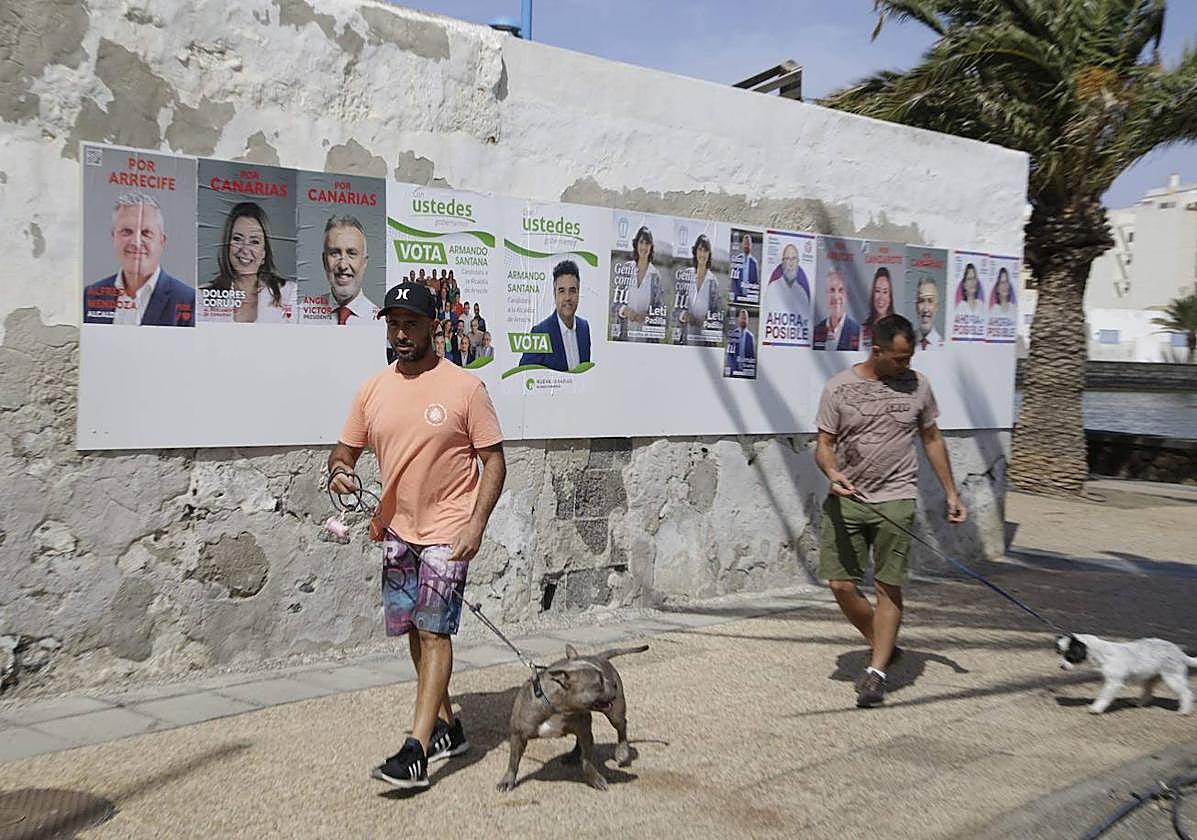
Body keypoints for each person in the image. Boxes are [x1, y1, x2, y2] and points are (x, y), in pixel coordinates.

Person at [329, 281, 505, 790]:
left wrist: (475, 524)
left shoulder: (465, 388)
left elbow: (494, 462)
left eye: (411, 324)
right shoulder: (372, 390)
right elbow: (344, 451)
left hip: (449, 530)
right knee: (412, 629)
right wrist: (340, 471)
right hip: (397, 530)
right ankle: (448, 727)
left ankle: (416, 750)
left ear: (433, 327)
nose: (401, 334)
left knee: (434, 632)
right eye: (394, 324)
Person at [815, 313, 967, 708]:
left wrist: (951, 494)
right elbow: (824, 444)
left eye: (909, 357)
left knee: (887, 585)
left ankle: (876, 673)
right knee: (841, 585)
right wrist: (832, 473)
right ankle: (881, 640)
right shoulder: (839, 387)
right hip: (848, 499)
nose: (906, 365)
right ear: (877, 350)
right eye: (899, 358)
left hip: (897, 498)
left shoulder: (919, 386)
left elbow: (932, 439)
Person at [83, 191, 195, 327]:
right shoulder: (90, 296)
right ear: (114, 237)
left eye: (146, 233)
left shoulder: (189, 300)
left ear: (162, 241)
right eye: (127, 231)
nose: (136, 242)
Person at [204, 201, 295, 323]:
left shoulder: (290, 293)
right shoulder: (201, 296)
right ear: (227, 246)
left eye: (254, 242)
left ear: (264, 252)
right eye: (237, 239)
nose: (245, 249)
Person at [520, 259, 592, 371]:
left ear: (578, 293)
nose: (567, 297)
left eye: (572, 290)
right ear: (554, 294)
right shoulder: (539, 333)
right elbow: (524, 374)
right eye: (562, 291)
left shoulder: (584, 328)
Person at [322, 215, 376, 325]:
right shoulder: (300, 314)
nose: (343, 265)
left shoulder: (382, 322)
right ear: (324, 261)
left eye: (352, 253)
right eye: (334, 253)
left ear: (364, 263)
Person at [615, 226, 664, 338]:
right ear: (636, 244)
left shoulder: (655, 276)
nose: (644, 247)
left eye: (647, 243)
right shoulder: (626, 269)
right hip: (624, 335)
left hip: (645, 337)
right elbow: (615, 304)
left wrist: (648, 315)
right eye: (641, 242)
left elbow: (660, 309)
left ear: (651, 247)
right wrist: (624, 310)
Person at [677, 234, 721, 342]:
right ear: (695, 251)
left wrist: (705, 319)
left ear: (709, 254)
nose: (702, 254)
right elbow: (676, 308)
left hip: (703, 339)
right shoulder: (686, 275)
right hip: (685, 337)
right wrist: (684, 315)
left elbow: (716, 312)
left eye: (705, 251)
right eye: (700, 249)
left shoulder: (713, 281)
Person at [762, 242, 811, 335]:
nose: (790, 263)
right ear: (783, 262)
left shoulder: (802, 293)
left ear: (798, 262)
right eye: (787, 259)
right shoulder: (772, 288)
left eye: (793, 259)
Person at [813, 270, 861, 350]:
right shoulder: (816, 332)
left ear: (846, 295)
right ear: (826, 293)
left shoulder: (857, 332)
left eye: (841, 290)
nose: (836, 296)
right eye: (832, 290)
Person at [860, 267, 895, 346]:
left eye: (885, 292)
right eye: (877, 291)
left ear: (890, 298)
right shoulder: (863, 331)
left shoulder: (898, 330)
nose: (881, 297)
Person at [914, 277, 943, 349]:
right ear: (916, 306)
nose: (925, 309)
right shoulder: (907, 343)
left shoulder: (944, 346)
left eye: (930, 301)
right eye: (921, 301)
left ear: (937, 307)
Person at [725, 308, 756, 374]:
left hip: (746, 372)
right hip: (733, 370)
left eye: (745, 319)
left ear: (747, 320)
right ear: (738, 319)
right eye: (742, 318)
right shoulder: (733, 334)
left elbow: (752, 356)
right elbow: (730, 355)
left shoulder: (750, 337)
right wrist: (733, 370)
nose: (743, 320)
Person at [731, 233, 759, 301]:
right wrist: (736, 295)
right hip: (738, 298)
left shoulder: (754, 262)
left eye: (748, 244)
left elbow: (755, 282)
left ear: (751, 245)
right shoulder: (737, 259)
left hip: (749, 299)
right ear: (742, 244)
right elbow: (733, 280)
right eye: (745, 243)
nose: (746, 246)